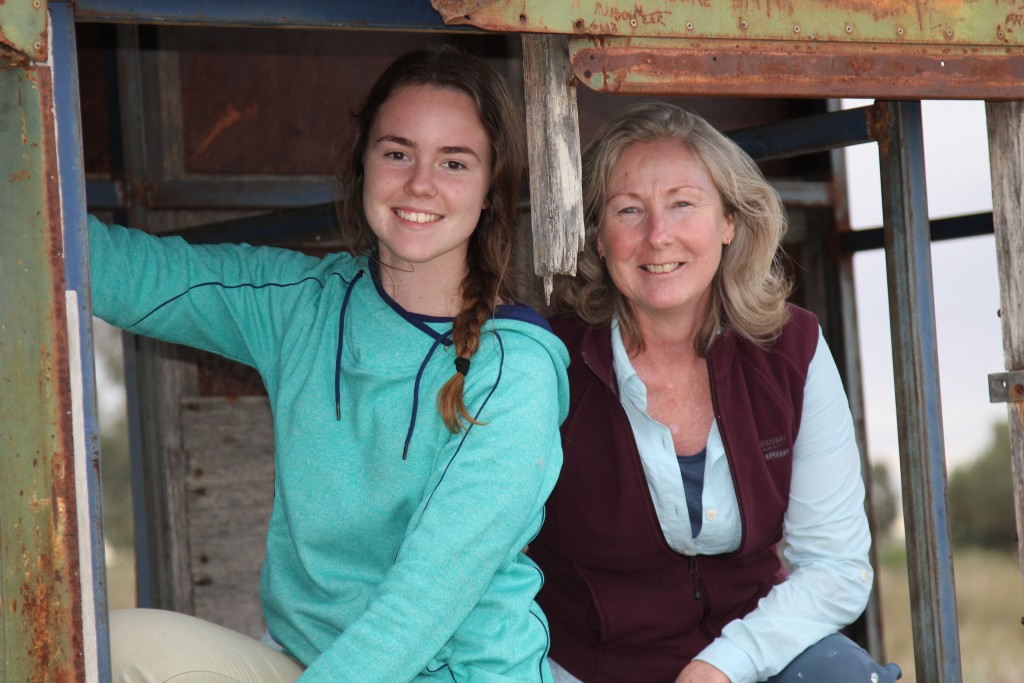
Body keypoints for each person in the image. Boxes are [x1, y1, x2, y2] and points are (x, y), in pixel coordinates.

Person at [93, 46, 569, 682]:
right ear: (362, 164)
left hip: (457, 675)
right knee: (119, 650)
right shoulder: (302, 306)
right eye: (397, 152)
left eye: (454, 162)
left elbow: (422, 604)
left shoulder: (515, 368)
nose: (420, 183)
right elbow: (122, 272)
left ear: (489, 192)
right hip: (311, 664)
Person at [528, 102, 903, 683]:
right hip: (585, 667)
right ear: (598, 237)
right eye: (629, 210)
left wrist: (726, 664)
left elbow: (835, 566)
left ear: (729, 221)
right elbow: (494, 566)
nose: (659, 236)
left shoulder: (793, 348)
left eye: (683, 204)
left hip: (750, 656)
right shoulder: (547, 362)